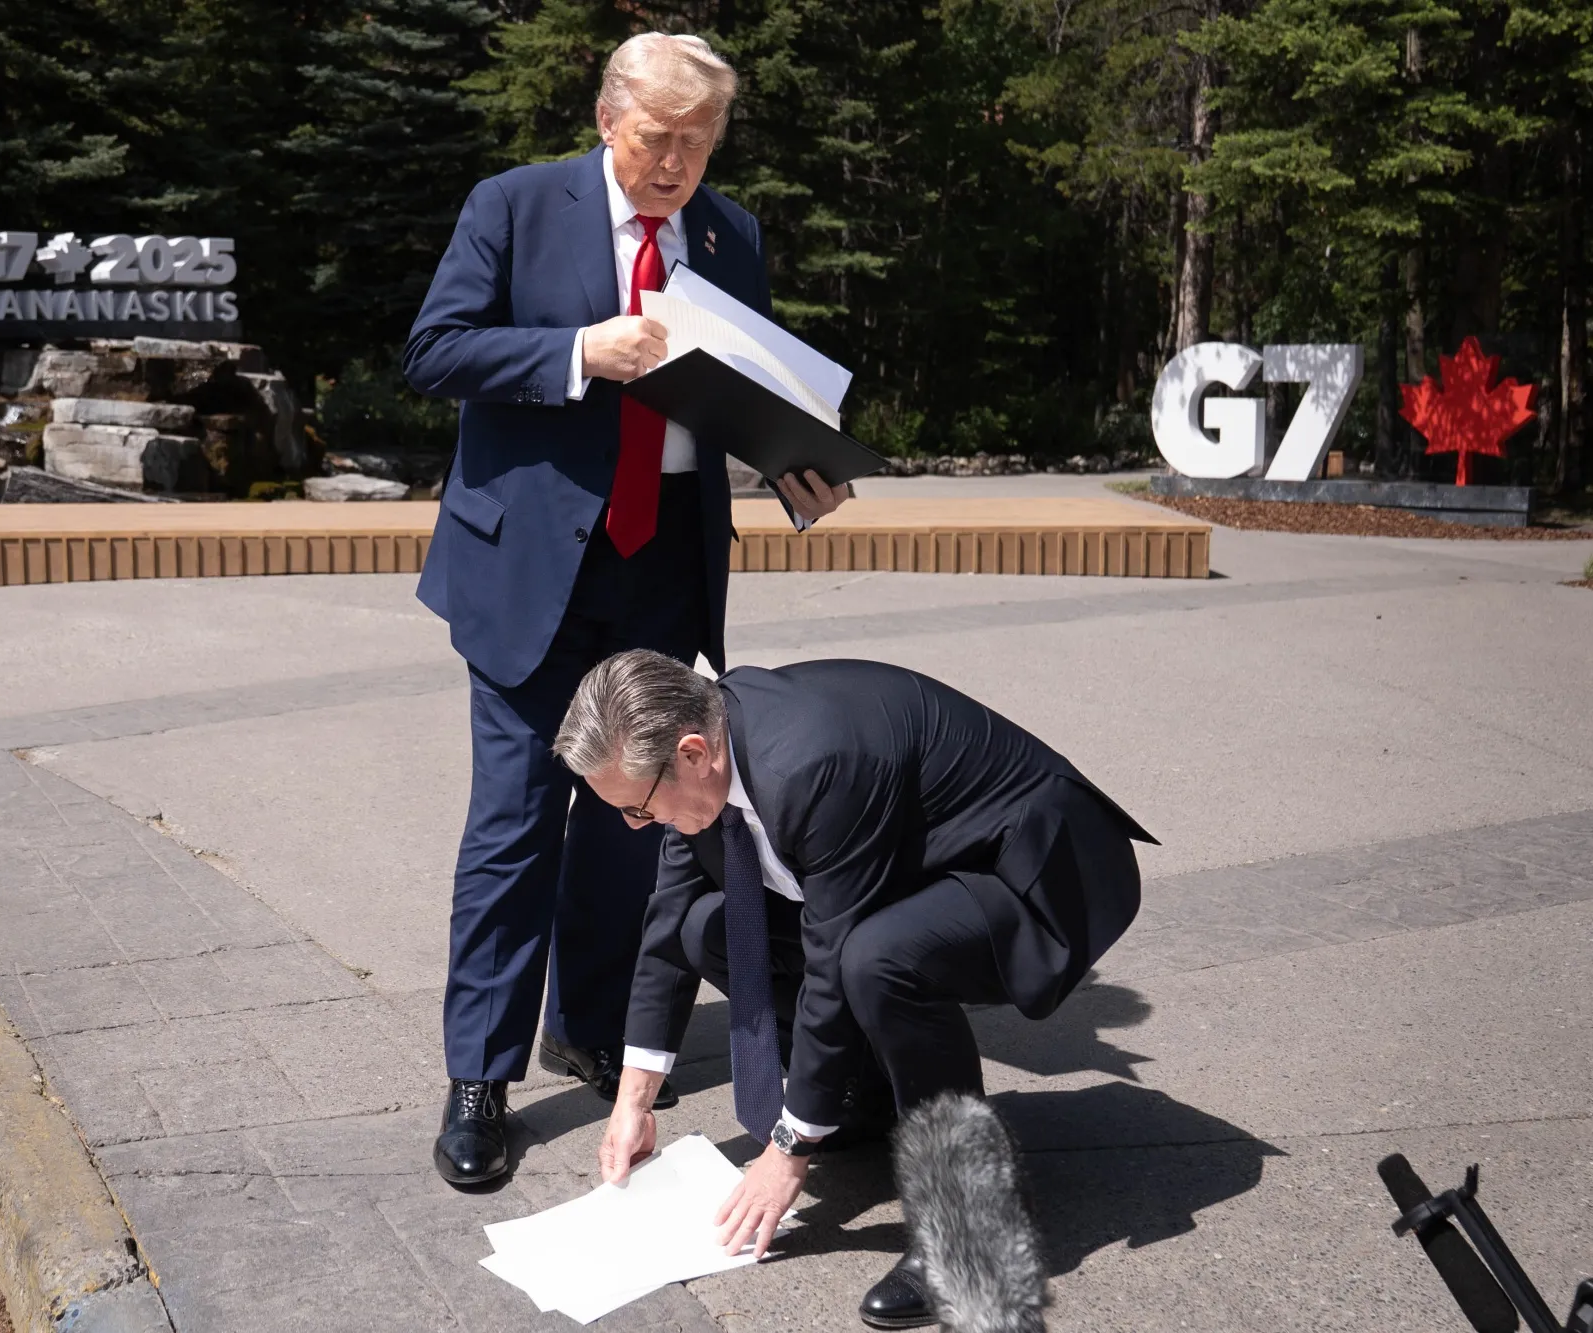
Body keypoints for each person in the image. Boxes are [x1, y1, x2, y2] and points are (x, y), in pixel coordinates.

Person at [402, 33, 851, 1189]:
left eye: (698, 142)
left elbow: (744, 384)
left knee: (631, 817)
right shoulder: (512, 206)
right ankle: (479, 1078)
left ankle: (591, 1025)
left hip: (662, 570)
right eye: (656, 138)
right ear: (607, 120)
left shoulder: (729, 232)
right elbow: (434, 349)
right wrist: (576, 352)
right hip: (529, 572)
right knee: (514, 825)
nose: (674, 164)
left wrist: (793, 460)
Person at [553, 650, 1153, 1330]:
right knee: (706, 929)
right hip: (914, 866)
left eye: (637, 807)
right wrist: (634, 1101)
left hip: (1033, 871)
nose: (636, 824)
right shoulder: (702, 756)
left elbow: (833, 960)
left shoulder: (812, 764)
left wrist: (788, 1150)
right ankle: (860, 1103)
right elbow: (667, 924)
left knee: (878, 959)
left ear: (692, 753)